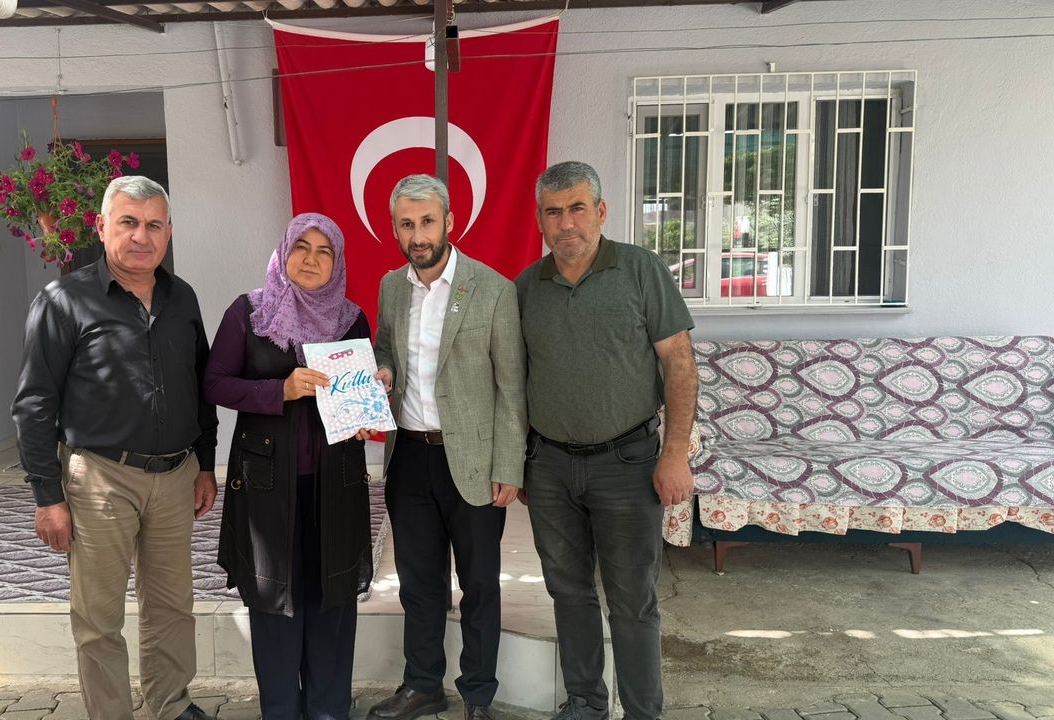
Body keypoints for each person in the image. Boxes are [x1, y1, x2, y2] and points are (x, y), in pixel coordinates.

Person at [12, 175, 219, 720]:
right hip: (101, 478)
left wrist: (205, 463)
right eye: (128, 222)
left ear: (169, 232)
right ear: (102, 227)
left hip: (176, 476)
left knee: (172, 605)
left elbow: (200, 386)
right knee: (99, 616)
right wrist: (47, 496)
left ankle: (171, 703)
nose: (141, 236)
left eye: (153, 225)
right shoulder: (63, 301)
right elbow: (34, 403)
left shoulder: (182, 298)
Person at [514, 161, 698, 720]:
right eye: (553, 212)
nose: (566, 222)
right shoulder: (526, 287)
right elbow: (514, 380)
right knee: (568, 592)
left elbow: (680, 363)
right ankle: (587, 703)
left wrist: (674, 454)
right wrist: (518, 463)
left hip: (628, 462)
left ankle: (642, 712)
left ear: (600, 211)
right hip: (549, 467)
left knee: (632, 601)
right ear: (540, 221)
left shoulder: (641, 269)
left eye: (577, 208)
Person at [203, 213, 374, 720]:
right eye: (302, 247)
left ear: (337, 263)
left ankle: (328, 710)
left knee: (332, 598)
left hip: (335, 484)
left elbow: (358, 392)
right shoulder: (249, 313)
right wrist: (280, 389)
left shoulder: (351, 319)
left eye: (325, 251)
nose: (312, 260)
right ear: (284, 252)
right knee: (274, 601)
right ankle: (280, 710)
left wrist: (364, 415)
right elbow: (214, 383)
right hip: (267, 487)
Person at [367, 174, 526, 720]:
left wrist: (509, 465)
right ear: (394, 229)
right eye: (406, 224)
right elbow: (384, 349)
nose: (418, 235)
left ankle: (478, 695)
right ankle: (422, 686)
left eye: (427, 222)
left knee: (479, 583)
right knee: (418, 583)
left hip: (475, 463)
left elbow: (512, 386)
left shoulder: (493, 288)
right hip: (409, 457)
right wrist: (384, 371)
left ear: (450, 222)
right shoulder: (392, 286)